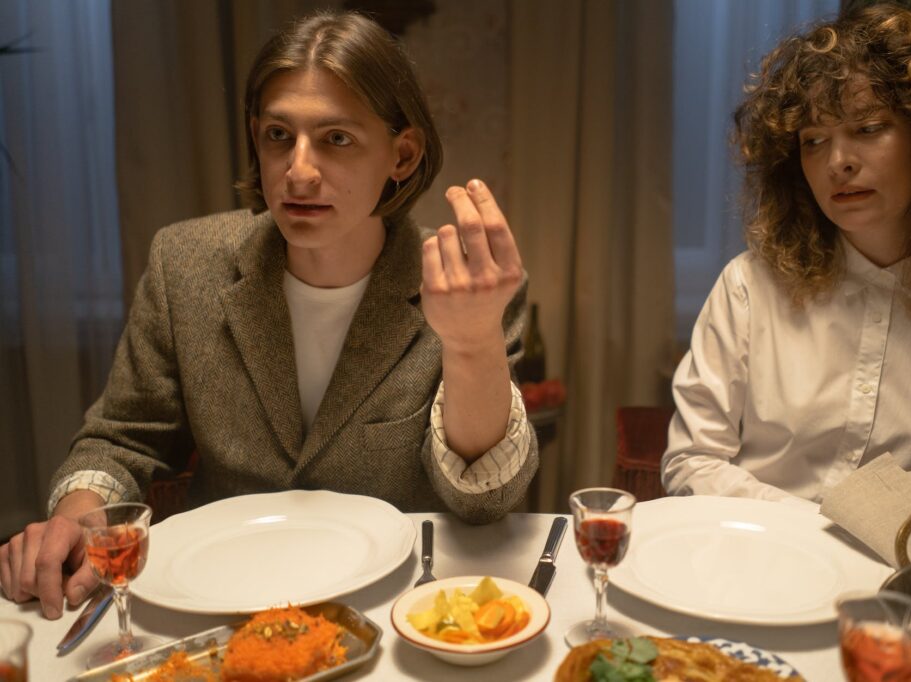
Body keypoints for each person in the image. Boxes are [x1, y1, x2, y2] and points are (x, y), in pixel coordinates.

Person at [0, 11, 538, 619]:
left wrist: (470, 345)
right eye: (279, 135)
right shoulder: (186, 263)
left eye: (336, 138)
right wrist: (77, 514)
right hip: (220, 601)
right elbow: (122, 437)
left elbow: (484, 502)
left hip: (398, 611)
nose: (298, 171)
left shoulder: (462, 280)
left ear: (403, 155)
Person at [662, 4, 911, 505]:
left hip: (904, 576)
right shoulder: (750, 288)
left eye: (868, 128)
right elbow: (691, 461)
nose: (838, 162)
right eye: (814, 140)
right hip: (753, 559)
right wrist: (816, 531)